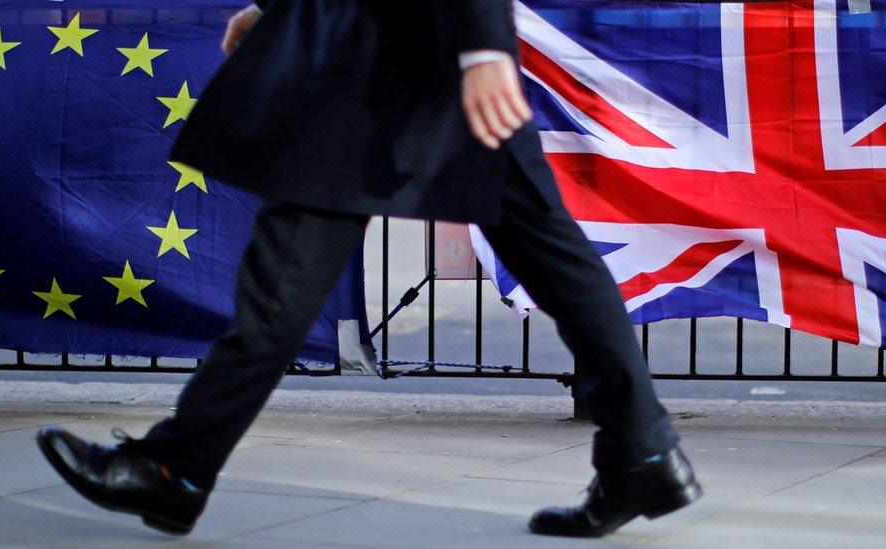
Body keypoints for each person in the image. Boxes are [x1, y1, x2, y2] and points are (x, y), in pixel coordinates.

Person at [37, 0, 701, 538]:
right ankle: (640, 451)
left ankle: (174, 467)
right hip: (406, 48)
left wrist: (484, 45)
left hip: (382, 58)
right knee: (553, 255)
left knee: (285, 286)